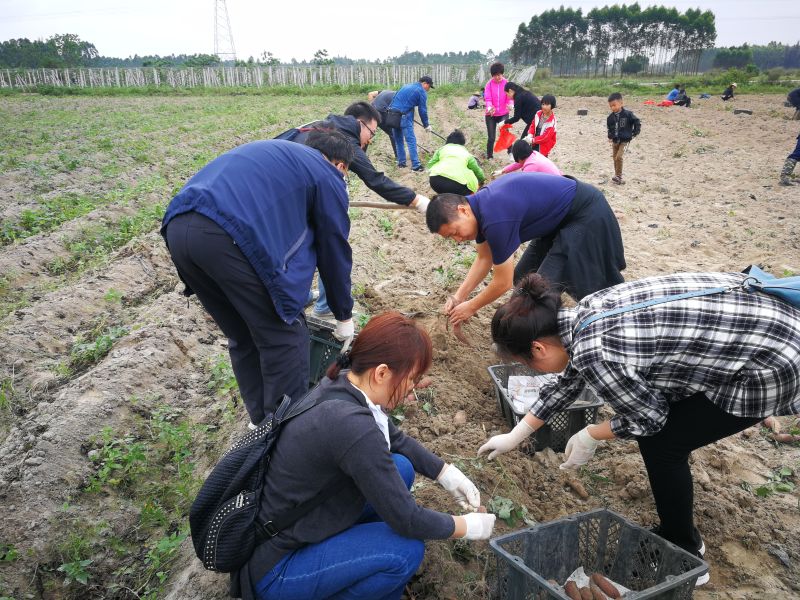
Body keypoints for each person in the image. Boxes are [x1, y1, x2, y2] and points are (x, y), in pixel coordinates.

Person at [478, 271, 800, 586]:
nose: (531, 369)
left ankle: (686, 551)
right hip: (764, 321)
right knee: (662, 434)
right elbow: (569, 382)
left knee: (663, 443)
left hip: (773, 361)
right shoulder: (582, 313)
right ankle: (679, 532)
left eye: (527, 365)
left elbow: (651, 419)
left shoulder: (595, 351)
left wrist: (592, 433)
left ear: (538, 348)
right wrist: (516, 434)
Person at [237, 312, 496, 599]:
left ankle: (357, 555)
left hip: (296, 523)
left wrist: (446, 473)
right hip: (277, 570)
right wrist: (467, 526)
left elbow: (395, 439)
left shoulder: (343, 382)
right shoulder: (352, 426)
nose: (412, 388)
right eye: (411, 378)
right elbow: (407, 519)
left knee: (401, 468)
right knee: (405, 551)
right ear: (382, 372)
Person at [161, 134, 356, 428]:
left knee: (244, 335)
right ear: (340, 166)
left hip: (179, 227)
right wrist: (343, 315)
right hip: (228, 235)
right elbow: (333, 248)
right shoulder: (327, 175)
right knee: (285, 337)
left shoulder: (285, 155)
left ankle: (260, 424)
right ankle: (283, 435)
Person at [275, 102, 430, 320]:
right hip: (292, 200)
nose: (370, 139)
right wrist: (417, 201)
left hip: (278, 194)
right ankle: (320, 307)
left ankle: (307, 299)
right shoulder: (343, 140)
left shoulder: (320, 126)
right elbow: (375, 180)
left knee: (295, 249)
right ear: (360, 124)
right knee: (326, 245)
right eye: (372, 132)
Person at [425, 173, 626, 326]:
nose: (458, 239)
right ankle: (525, 330)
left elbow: (501, 283)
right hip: (556, 221)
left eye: (455, 232)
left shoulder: (495, 217)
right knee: (522, 278)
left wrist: (471, 306)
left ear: (462, 210)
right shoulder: (478, 208)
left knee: (540, 290)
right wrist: (459, 297)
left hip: (584, 214)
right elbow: (484, 259)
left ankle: (545, 335)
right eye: (451, 238)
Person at [389, 76, 434, 172]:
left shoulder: (406, 86)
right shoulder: (420, 91)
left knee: (398, 141)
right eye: (429, 87)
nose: (428, 89)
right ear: (425, 83)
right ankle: (416, 166)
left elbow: (395, 99)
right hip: (404, 116)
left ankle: (401, 163)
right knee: (411, 140)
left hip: (393, 115)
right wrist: (426, 125)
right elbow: (422, 110)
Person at [427, 129, 486, 195]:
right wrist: (482, 179)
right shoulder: (467, 154)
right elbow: (476, 170)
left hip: (435, 181)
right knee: (468, 194)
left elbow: (430, 164)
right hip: (456, 185)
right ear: (462, 143)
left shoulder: (442, 149)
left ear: (448, 141)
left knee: (444, 194)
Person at [607, 92, 642, 185]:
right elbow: (609, 128)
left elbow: (637, 121)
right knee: (614, 158)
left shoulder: (628, 114)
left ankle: (619, 176)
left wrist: (635, 132)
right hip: (615, 141)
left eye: (614, 105)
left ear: (621, 103)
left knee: (619, 157)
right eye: (611, 106)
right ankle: (617, 176)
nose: (612, 108)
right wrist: (610, 136)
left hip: (625, 141)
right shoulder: (610, 117)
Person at [484, 62, 513, 159]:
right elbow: (488, 99)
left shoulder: (507, 84)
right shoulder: (489, 85)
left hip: (503, 113)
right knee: (491, 137)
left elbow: (510, 98)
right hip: (491, 115)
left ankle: (511, 153)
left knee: (505, 133)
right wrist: (489, 108)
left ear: (502, 73)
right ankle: (489, 156)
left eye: (499, 74)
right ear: (492, 75)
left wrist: (510, 105)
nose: (498, 77)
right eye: (495, 75)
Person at [493, 139, 561, 177]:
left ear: (519, 157)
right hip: (559, 179)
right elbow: (518, 164)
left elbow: (523, 182)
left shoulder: (531, 166)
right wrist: (502, 171)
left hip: (556, 188)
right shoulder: (533, 154)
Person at [369, 89, 398, 159]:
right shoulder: (398, 97)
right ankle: (398, 156)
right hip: (380, 113)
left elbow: (370, 93)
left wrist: (371, 107)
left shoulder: (384, 91)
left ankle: (357, 148)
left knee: (368, 132)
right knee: (393, 133)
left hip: (370, 112)